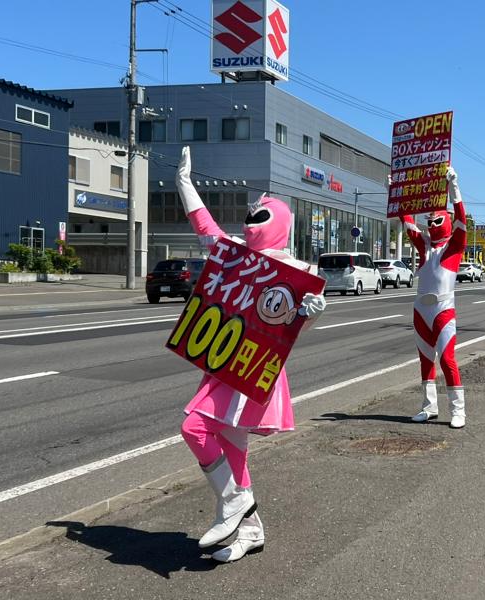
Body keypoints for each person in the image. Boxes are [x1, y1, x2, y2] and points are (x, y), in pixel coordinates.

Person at [175, 147, 326, 563]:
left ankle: (233, 504)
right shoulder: (234, 252)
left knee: (195, 428)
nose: (252, 221)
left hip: (255, 367)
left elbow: (293, 329)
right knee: (230, 446)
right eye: (251, 215)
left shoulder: (299, 271)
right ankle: (251, 528)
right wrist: (184, 183)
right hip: (225, 362)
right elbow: (204, 226)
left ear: (279, 223)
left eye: (262, 216)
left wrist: (311, 313)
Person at [401, 166, 468, 429]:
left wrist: (454, 187)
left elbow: (462, 220)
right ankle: (428, 407)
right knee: (425, 359)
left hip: (443, 309)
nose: (431, 224)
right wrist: (396, 195)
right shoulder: (424, 247)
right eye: (429, 221)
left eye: (436, 220)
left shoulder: (455, 246)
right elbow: (407, 223)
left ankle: (458, 410)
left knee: (447, 359)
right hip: (420, 309)